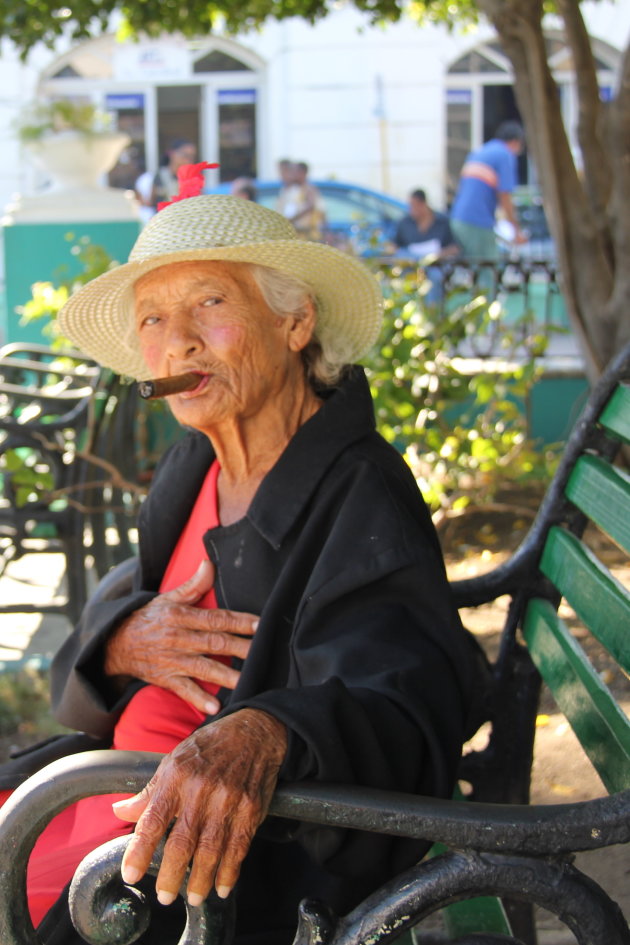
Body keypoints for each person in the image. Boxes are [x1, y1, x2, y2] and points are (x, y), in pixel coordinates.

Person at [8, 176, 481, 944]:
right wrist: (126, 637)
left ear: (295, 322)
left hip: (206, 862)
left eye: (210, 304)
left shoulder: (360, 491)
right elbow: (129, 600)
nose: (178, 341)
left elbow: (407, 703)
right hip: (118, 790)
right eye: (153, 318)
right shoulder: (195, 464)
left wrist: (262, 730)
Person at [449, 121, 528, 262]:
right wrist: (516, 230)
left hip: (458, 218)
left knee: (474, 270)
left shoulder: (482, 151)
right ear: (515, 142)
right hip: (477, 221)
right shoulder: (504, 155)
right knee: (488, 272)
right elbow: (505, 196)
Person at [394, 189, 460, 303]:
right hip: (411, 266)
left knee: (434, 278)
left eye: (415, 206)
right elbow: (394, 246)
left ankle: (432, 311)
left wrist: (438, 255)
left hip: (435, 265)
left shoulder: (442, 222)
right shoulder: (405, 223)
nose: (412, 210)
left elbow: (455, 248)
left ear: (423, 204)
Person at [276, 161, 327, 240]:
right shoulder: (293, 190)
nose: (292, 174)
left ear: (302, 173)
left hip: (307, 235)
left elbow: (312, 207)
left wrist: (291, 220)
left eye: (295, 171)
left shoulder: (309, 190)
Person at [150, 139, 198, 210]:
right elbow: (152, 202)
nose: (188, 160)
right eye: (185, 155)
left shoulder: (193, 178)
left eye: (192, 156)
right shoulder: (161, 175)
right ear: (172, 153)